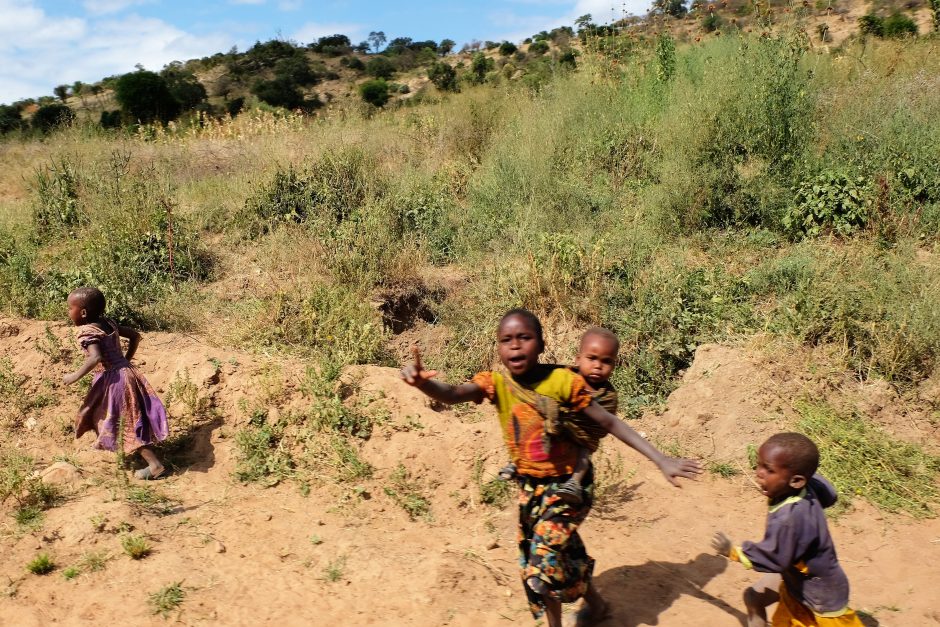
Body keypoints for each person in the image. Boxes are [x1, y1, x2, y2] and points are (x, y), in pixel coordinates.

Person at [401, 308, 702, 627]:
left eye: (524, 338)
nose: (515, 346)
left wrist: (660, 459)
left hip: (569, 490)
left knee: (540, 566)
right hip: (530, 489)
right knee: (564, 556)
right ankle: (597, 606)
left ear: (542, 344)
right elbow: (451, 394)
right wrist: (423, 384)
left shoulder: (564, 382)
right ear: (499, 348)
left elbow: (609, 421)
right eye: (506, 340)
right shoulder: (496, 383)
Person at [711, 433, 863, 627]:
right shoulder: (806, 486)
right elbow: (830, 494)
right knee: (753, 597)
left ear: (797, 481)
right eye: (759, 464)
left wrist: (732, 551)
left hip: (822, 596)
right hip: (798, 580)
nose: (759, 473)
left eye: (768, 469)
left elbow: (774, 557)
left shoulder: (788, 519)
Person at [499, 327, 621, 506]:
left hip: (580, 437)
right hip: (552, 425)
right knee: (530, 424)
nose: (598, 366)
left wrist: (567, 420)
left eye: (606, 361)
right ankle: (516, 463)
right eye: (592, 358)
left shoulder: (607, 396)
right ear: (578, 359)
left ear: (614, 365)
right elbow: (541, 381)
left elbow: (600, 427)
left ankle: (574, 483)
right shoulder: (564, 377)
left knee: (584, 452)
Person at [63, 287, 169, 480]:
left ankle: (154, 465)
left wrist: (74, 376)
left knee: (125, 421)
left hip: (115, 382)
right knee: (113, 414)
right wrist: (125, 360)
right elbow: (135, 336)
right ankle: (114, 445)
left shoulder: (87, 331)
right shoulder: (108, 323)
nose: (68, 312)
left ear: (83, 312)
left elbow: (95, 357)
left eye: (70, 308)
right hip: (127, 373)